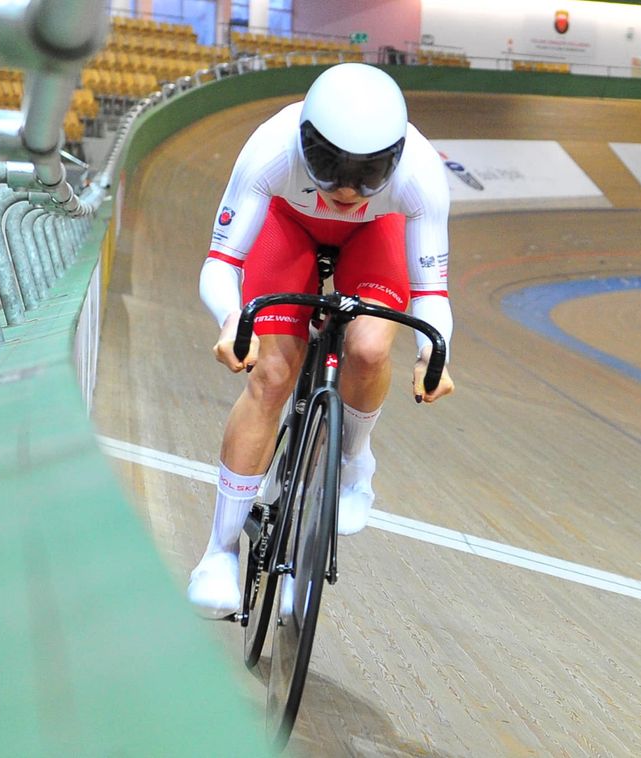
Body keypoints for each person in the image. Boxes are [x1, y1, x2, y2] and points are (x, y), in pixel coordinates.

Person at [188, 63, 456, 619]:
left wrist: (434, 355)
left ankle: (351, 463)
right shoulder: (270, 148)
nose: (348, 190)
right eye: (331, 170)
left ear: (397, 159)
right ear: (307, 142)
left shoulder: (422, 173)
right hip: (287, 226)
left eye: (368, 175)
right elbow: (222, 263)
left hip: (373, 236)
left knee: (370, 349)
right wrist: (231, 320)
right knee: (271, 376)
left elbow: (433, 293)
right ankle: (219, 551)